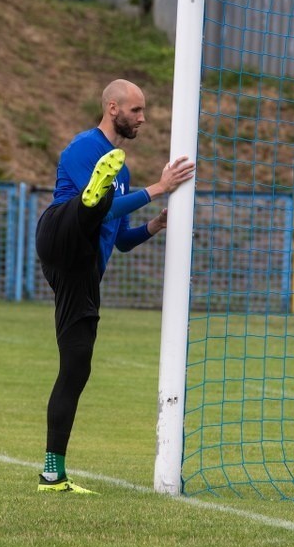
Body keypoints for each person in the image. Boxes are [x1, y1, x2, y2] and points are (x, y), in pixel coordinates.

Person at [35, 78, 195, 493]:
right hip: (60, 232)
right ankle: (91, 197)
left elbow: (120, 240)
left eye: (143, 111)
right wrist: (158, 188)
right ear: (112, 108)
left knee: (76, 367)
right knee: (89, 208)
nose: (142, 118)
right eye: (136, 110)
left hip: (80, 271)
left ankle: (53, 474)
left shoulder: (121, 170)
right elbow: (104, 216)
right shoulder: (84, 147)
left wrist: (154, 225)